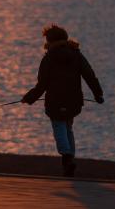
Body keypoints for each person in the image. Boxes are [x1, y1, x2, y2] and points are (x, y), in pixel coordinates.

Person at [21, 24, 104, 177]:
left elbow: (42, 84)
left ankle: (66, 158)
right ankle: (70, 158)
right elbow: (89, 76)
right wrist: (98, 94)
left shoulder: (48, 58)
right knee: (68, 127)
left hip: (55, 101)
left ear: (49, 41)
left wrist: (29, 98)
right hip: (74, 101)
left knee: (59, 126)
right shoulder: (76, 54)